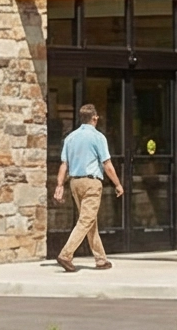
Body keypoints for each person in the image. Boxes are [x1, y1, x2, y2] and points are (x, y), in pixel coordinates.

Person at [52, 104, 124, 272]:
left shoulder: (70, 138)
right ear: (94, 118)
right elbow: (107, 165)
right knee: (86, 220)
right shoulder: (98, 137)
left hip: (75, 182)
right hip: (92, 182)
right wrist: (118, 184)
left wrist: (60, 185)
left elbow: (64, 164)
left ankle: (100, 259)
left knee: (89, 221)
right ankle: (66, 254)